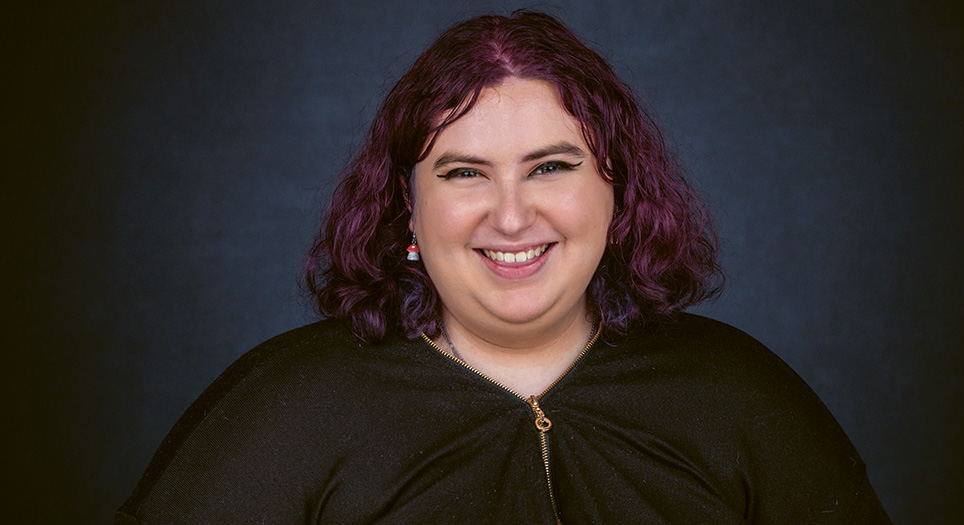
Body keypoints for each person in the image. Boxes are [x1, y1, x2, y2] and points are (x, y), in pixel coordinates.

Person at [117, 10, 891, 524]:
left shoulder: (743, 396)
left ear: (616, 192)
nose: (512, 215)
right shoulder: (283, 410)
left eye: (551, 167)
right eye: (463, 173)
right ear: (406, 209)